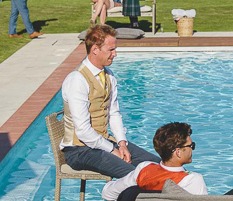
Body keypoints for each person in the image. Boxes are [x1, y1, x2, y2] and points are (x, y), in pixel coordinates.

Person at [60, 24, 160, 178]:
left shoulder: (108, 75)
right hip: (79, 150)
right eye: (111, 50)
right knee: (136, 176)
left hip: (104, 142)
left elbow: (113, 113)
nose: (115, 54)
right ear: (95, 50)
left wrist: (122, 143)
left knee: (157, 166)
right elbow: (83, 131)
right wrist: (113, 150)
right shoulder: (77, 79)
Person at [101, 122, 207, 201]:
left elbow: (108, 193)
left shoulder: (144, 170)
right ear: (178, 152)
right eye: (191, 146)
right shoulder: (193, 180)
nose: (192, 149)